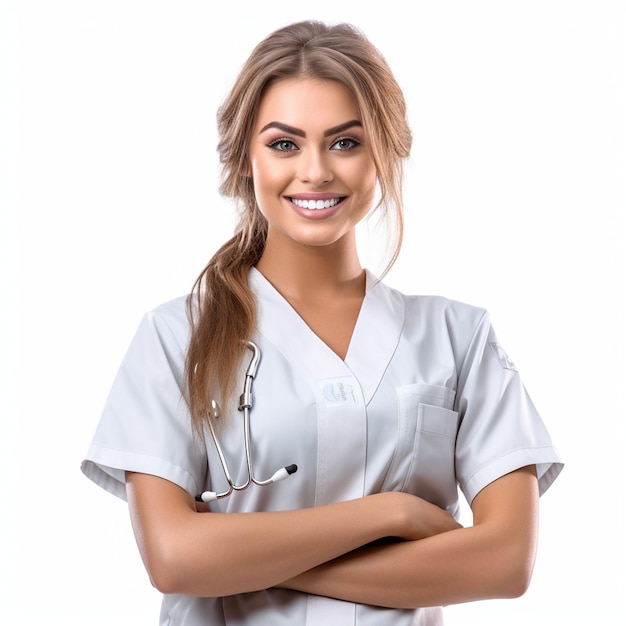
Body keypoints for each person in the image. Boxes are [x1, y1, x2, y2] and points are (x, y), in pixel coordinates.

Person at [81, 20, 563, 625]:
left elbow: (506, 562)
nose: (314, 172)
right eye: (284, 144)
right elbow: (175, 559)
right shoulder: (175, 338)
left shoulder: (459, 339)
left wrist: (236, 554)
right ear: (243, 159)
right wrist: (388, 514)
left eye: (345, 142)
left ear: (384, 153)